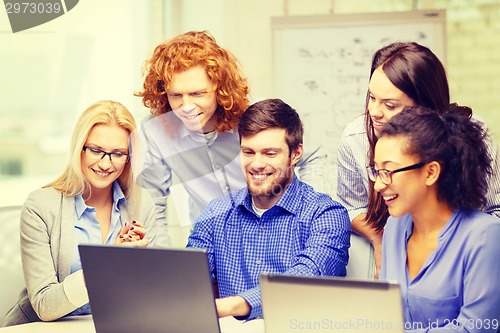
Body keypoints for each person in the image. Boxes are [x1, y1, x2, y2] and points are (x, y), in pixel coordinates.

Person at [135, 30, 326, 246]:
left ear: (220, 89)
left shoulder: (257, 112)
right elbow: (153, 202)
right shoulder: (155, 130)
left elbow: (314, 156)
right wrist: (164, 263)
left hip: (274, 231)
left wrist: (307, 215)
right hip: (211, 240)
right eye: (175, 95)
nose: (186, 106)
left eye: (198, 94)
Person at [336, 41, 500, 277]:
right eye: (372, 97)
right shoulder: (356, 137)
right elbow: (351, 206)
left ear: (425, 107)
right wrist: (383, 241)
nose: (374, 112)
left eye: (390, 105)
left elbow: (494, 209)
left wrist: (453, 254)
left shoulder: (473, 135)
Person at [186, 98, 351, 320]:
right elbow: (189, 279)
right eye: (248, 152)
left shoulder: (326, 215)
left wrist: (234, 306)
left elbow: (305, 280)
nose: (256, 164)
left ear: (295, 154)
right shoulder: (216, 213)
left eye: (270, 153)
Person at [1, 100, 156, 327]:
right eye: (96, 150)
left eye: (118, 153)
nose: (106, 163)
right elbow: (45, 306)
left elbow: (147, 297)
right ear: (79, 148)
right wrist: (108, 263)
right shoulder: (40, 206)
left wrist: (137, 263)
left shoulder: (141, 205)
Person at [372, 105, 500, 332]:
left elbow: (476, 328)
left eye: (388, 171)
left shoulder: (485, 236)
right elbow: (386, 315)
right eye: (376, 170)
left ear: (430, 172)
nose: (379, 184)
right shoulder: (395, 226)